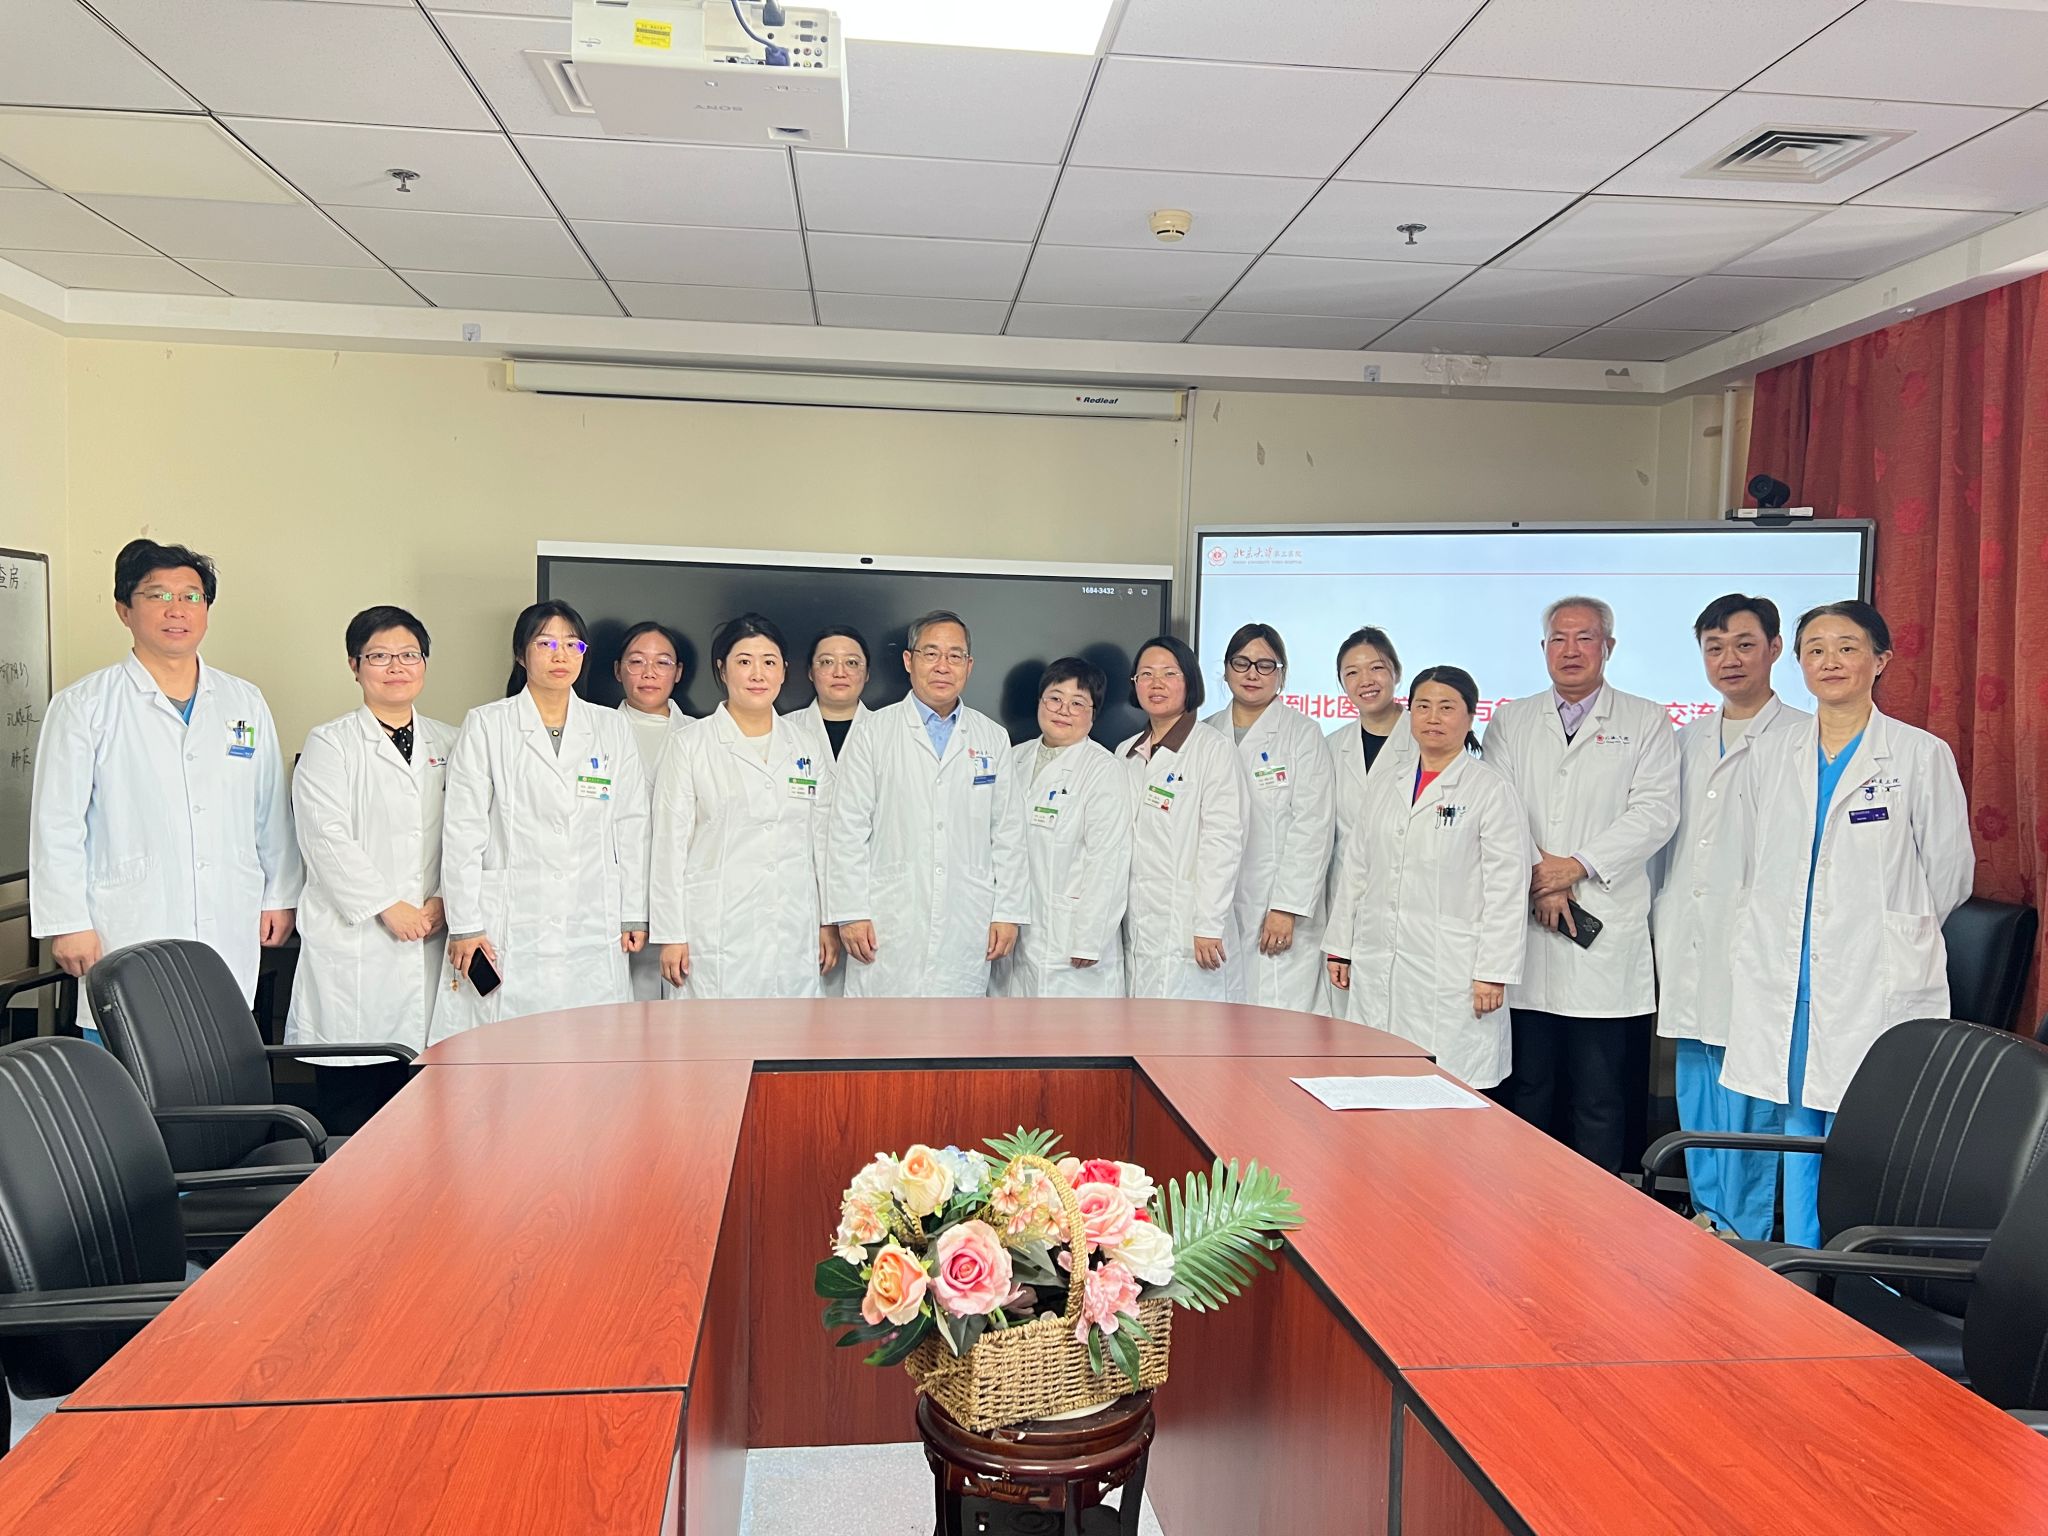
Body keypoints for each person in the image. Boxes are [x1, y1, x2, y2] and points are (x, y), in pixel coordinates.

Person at [1724, 600, 1972, 1247]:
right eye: (1815, 649)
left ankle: (1864, 1272)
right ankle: (1804, 1264)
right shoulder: (1770, 754)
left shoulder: (1919, 755)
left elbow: (1949, 875)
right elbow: (1753, 858)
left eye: (1847, 647)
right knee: (1798, 1123)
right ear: (1799, 663)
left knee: (1869, 1127)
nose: (1829, 661)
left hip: (1874, 974)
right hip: (1788, 974)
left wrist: (1889, 934)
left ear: (1880, 660)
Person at [30, 538, 301, 1007]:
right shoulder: (84, 705)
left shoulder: (243, 701)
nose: (177, 609)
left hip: (228, 915)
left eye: (191, 596)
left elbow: (269, 808)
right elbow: (57, 822)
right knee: (130, 1036)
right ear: (124, 610)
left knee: (219, 1036)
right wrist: (68, 922)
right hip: (127, 921)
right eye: (158, 595)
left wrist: (279, 893)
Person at [1482, 596, 1679, 1172]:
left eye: (1585, 638)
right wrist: (1544, 878)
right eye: (1559, 638)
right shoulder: (1511, 719)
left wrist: (1579, 866)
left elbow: (1655, 812)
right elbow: (1497, 806)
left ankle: (1598, 1210)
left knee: (1600, 1092)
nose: (1571, 650)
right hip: (1529, 924)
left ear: (1608, 647)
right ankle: (1523, 1200)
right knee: (1530, 1084)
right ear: (1543, 648)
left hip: (1604, 922)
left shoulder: (1646, 719)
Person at [1651, 594, 1808, 1239]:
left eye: (1744, 644)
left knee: (1749, 1089)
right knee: (1697, 1083)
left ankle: (1743, 1231)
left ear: (1774, 649)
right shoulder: (1682, 740)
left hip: (1758, 944)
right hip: (1689, 936)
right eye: (1714, 648)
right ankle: (1708, 1215)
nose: (1729, 659)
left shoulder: (1801, 738)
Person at [433, 600, 649, 1036]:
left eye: (572, 644)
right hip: (509, 918)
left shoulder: (610, 727)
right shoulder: (487, 724)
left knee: (589, 1043)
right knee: (508, 1046)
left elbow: (631, 824)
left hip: (591, 914)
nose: (560, 654)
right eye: (545, 643)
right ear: (521, 654)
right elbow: (463, 830)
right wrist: (466, 924)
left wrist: (633, 913)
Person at [288, 606, 455, 1133]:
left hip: (432, 929)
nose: (396, 667)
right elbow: (324, 836)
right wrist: (386, 905)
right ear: (354, 666)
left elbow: (471, 830)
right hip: (359, 940)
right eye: (379, 656)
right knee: (356, 1109)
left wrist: (444, 897)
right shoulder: (330, 743)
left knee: (431, 1108)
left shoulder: (452, 741)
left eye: (409, 655)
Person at [1324, 666, 1530, 1087]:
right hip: (1379, 958)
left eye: (1447, 707)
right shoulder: (1387, 784)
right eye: (1423, 706)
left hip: (1453, 969)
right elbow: (1356, 869)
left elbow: (1507, 889)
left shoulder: (1489, 790)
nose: (1433, 718)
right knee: (1377, 1078)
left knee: (1448, 1089)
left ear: (1471, 717)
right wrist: (1340, 947)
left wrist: (1493, 971)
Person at [827, 610, 1027, 998]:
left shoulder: (992, 737)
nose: (943, 666)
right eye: (931, 653)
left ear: (969, 666)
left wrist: (1008, 912)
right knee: (881, 1028)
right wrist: (850, 912)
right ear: (909, 660)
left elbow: (1008, 833)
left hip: (966, 917)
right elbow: (847, 827)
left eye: (955, 656)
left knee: (957, 1029)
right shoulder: (872, 732)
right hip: (887, 918)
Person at [651, 614, 837, 999]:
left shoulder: (806, 745)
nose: (757, 674)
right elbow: (669, 845)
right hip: (714, 932)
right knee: (715, 1032)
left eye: (769, 662)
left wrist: (828, 921)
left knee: (791, 1030)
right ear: (722, 669)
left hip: (793, 927)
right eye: (744, 661)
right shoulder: (690, 744)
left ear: (784, 671)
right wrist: (671, 934)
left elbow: (824, 840)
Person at [1205, 623, 1336, 1013]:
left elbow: (1313, 825)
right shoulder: (1206, 732)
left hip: (1275, 902)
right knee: (1222, 1016)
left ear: (1281, 673)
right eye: (1241, 662)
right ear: (1226, 668)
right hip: (1219, 902)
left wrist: (1287, 907)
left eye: (1265, 665)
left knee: (1278, 1018)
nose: (1252, 674)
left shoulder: (1302, 733)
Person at [991, 657, 1133, 999]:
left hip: (1071, 936)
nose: (1063, 710)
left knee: (1070, 1028)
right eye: (1055, 698)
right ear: (1040, 701)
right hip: (1014, 929)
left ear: (1093, 714)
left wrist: (1090, 937)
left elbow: (1109, 860)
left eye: (1078, 703)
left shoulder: (1103, 769)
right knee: (1012, 1025)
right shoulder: (1014, 758)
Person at [1118, 635, 1248, 1002]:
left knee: (1192, 1026)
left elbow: (1223, 841)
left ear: (1189, 681)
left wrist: (1208, 924)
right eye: (1146, 674)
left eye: (1169, 673)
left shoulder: (1213, 749)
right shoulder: (1125, 753)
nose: (1156, 683)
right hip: (1139, 924)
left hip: (1192, 925)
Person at [1321, 626, 1417, 1015]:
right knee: (1349, 1025)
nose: (1366, 680)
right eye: (1352, 672)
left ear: (1396, 671)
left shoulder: (1426, 739)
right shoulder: (1331, 747)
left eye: (1376, 667)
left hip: (1410, 902)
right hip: (1346, 905)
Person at [613, 619, 691, 1001]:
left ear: (678, 672)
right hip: (613, 901)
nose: (649, 673)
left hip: (685, 904)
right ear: (618, 670)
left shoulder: (700, 735)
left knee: (685, 1021)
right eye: (636, 661)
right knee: (620, 1017)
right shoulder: (597, 733)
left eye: (662, 662)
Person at [790, 626, 872, 760]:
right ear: (810, 672)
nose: (839, 673)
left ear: (867, 673)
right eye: (827, 662)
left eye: (851, 662)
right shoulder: (783, 728)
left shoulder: (888, 730)